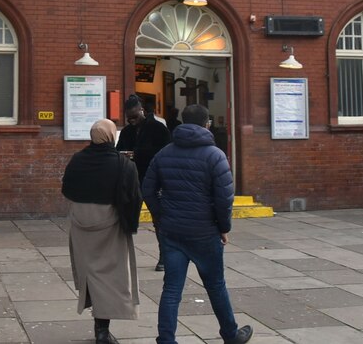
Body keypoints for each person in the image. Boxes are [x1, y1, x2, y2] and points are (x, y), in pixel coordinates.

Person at [141, 104, 253, 344]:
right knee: (215, 286)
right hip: (204, 232)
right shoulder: (215, 155)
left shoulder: (164, 153)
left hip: (172, 232)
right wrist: (224, 227)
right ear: (206, 124)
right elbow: (224, 198)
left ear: (182, 122)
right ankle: (230, 335)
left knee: (171, 290)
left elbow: (148, 190)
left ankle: (166, 340)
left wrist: (161, 217)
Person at [62, 119, 143, 344]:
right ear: (110, 136)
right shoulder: (122, 164)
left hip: (81, 223)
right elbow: (133, 198)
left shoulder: (78, 159)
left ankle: (99, 326)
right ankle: (102, 331)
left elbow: (66, 188)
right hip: (111, 224)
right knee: (111, 276)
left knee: (89, 274)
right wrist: (130, 225)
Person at [116, 93, 171, 269]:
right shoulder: (126, 131)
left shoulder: (158, 128)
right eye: (128, 118)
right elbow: (119, 151)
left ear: (142, 110)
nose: (131, 121)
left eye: (134, 117)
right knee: (125, 219)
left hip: (154, 179)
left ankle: (164, 257)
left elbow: (165, 153)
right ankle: (119, 258)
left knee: (159, 220)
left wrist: (137, 154)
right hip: (133, 180)